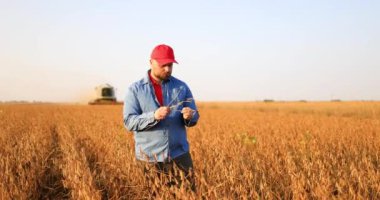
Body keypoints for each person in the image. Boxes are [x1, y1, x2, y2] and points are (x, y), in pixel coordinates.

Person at [123, 44, 199, 191]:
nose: (168, 69)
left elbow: (194, 117)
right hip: (149, 159)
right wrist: (154, 116)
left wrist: (190, 116)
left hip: (179, 156)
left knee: (188, 194)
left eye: (170, 65)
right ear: (151, 62)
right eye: (163, 65)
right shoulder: (135, 89)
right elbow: (129, 122)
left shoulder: (182, 87)